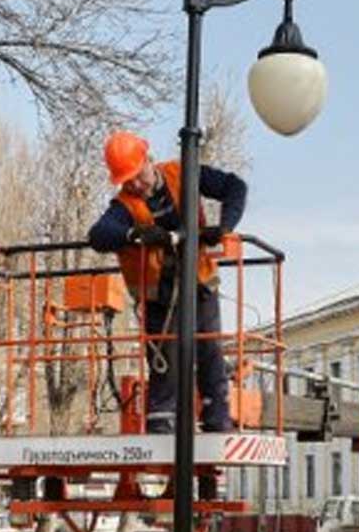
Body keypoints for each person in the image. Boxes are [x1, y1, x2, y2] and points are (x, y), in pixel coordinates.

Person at [88, 130, 248, 434]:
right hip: (159, 297)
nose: (135, 185)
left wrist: (225, 226)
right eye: (127, 180)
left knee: (210, 351)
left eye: (138, 175)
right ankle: (162, 424)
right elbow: (99, 235)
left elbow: (234, 187)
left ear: (149, 159)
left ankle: (217, 418)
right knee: (166, 361)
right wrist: (133, 235)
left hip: (200, 283)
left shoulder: (183, 174)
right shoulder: (124, 206)